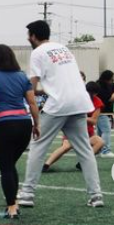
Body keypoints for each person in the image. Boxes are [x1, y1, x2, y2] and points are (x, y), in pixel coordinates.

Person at [17, 20, 104, 208]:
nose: (27, 39)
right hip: (80, 102)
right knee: (85, 151)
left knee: (38, 146)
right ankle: (96, 195)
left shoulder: (37, 53)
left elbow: (31, 85)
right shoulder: (63, 48)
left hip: (59, 104)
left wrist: (27, 103)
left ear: (33, 36)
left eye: (28, 35)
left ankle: (27, 194)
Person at [0, 44, 39, 219]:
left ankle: (11, 207)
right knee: (10, 165)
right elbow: (32, 103)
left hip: (4, 125)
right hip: (24, 123)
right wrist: (37, 124)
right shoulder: (22, 76)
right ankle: (14, 202)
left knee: (6, 167)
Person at [42, 81, 105, 172]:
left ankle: (83, 163)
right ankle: (46, 165)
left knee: (99, 142)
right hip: (73, 132)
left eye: (91, 93)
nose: (89, 95)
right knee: (66, 146)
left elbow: (93, 121)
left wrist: (80, 117)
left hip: (87, 134)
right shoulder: (76, 99)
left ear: (95, 93)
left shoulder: (97, 101)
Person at [95, 70, 114, 157]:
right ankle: (105, 150)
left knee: (100, 132)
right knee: (106, 131)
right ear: (107, 78)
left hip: (105, 112)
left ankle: (98, 150)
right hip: (102, 112)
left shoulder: (108, 85)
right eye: (111, 79)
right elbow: (108, 99)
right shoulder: (100, 86)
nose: (112, 81)